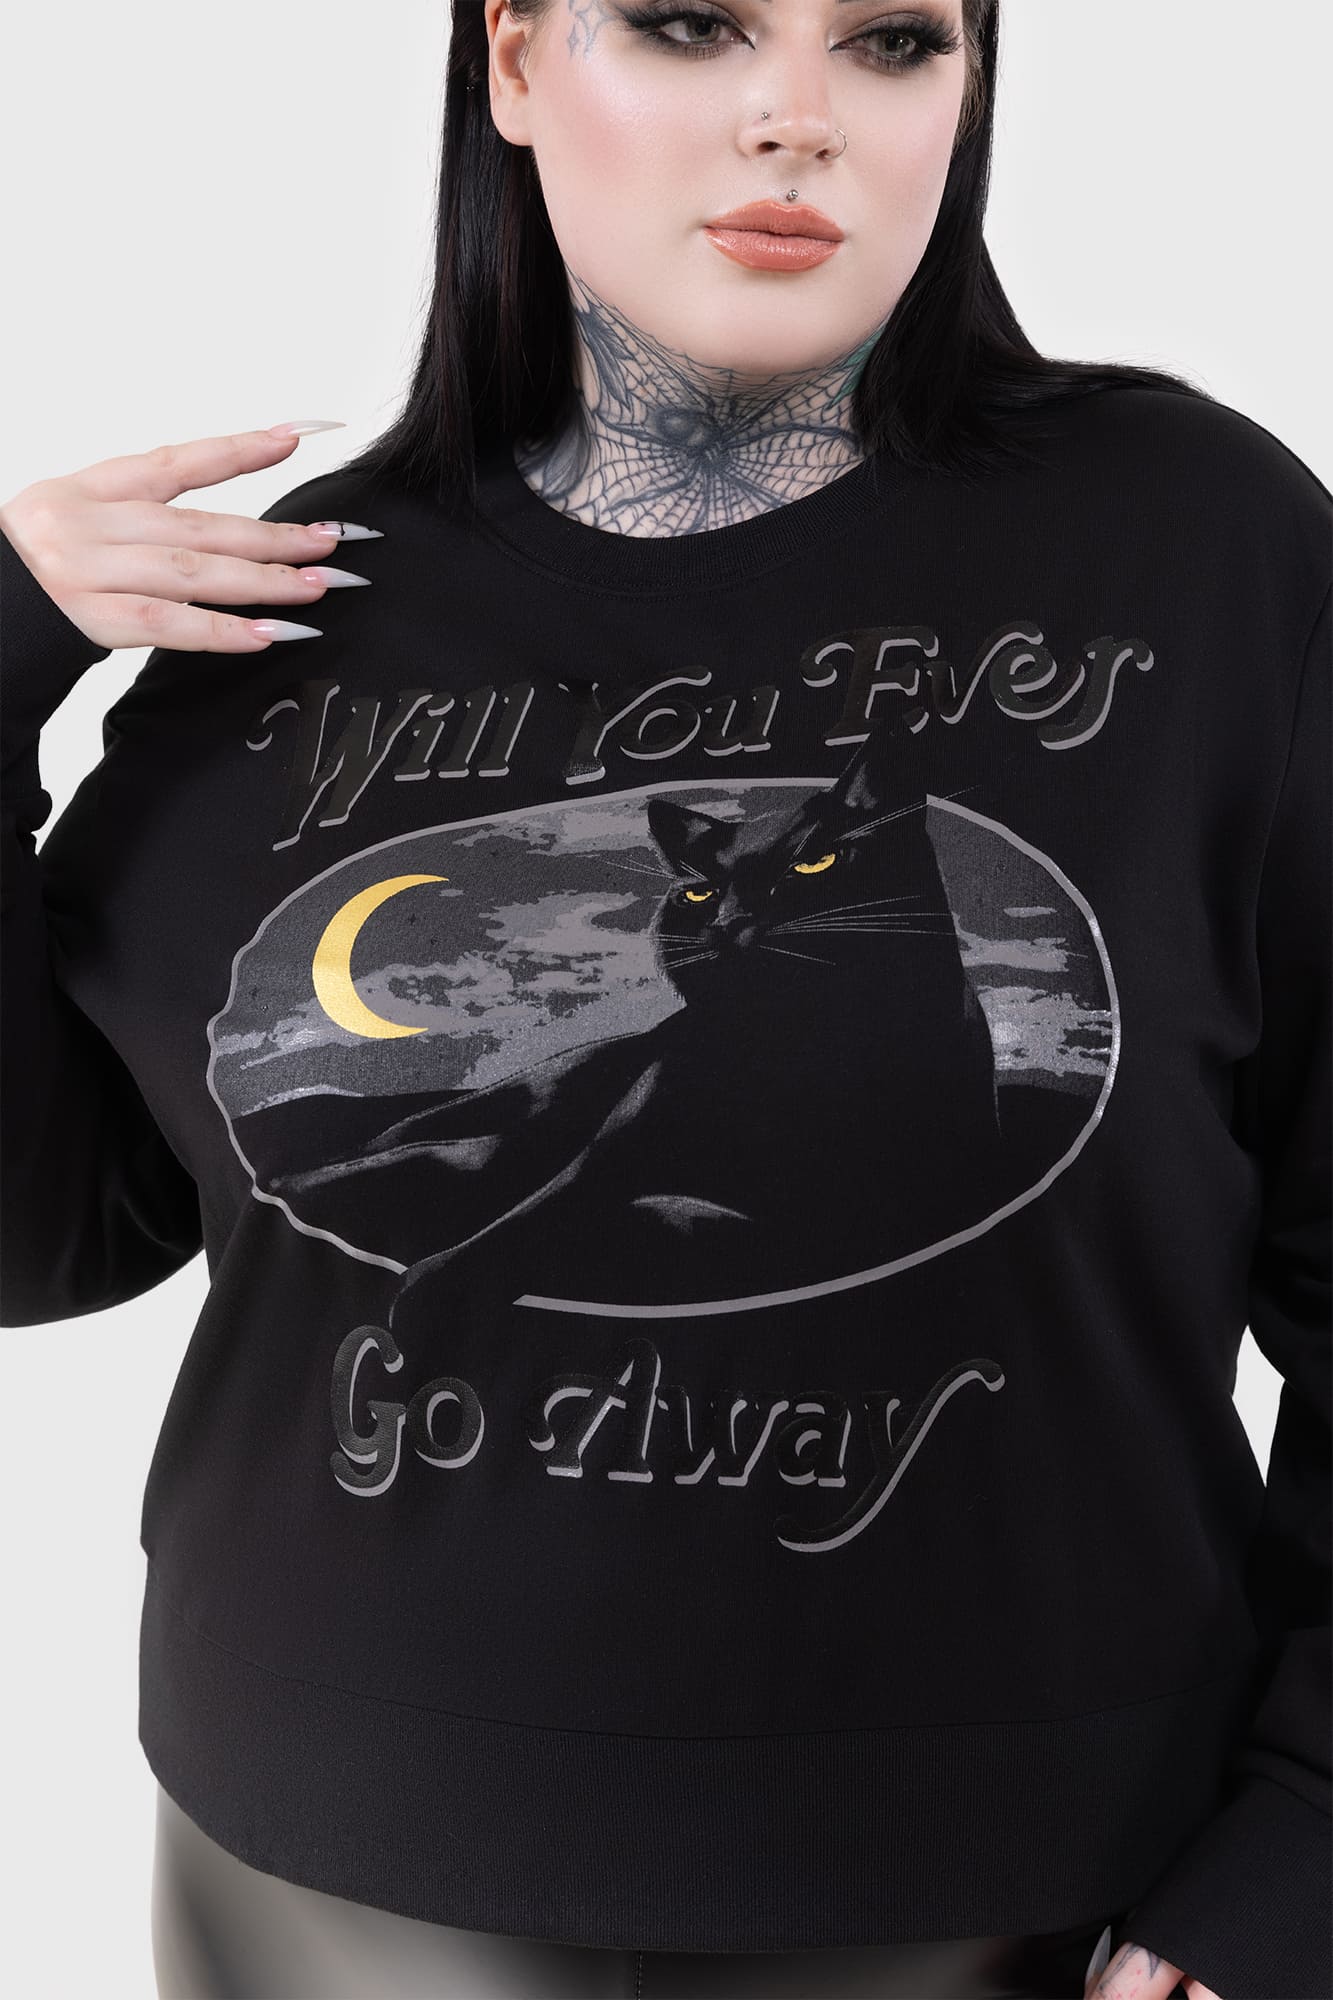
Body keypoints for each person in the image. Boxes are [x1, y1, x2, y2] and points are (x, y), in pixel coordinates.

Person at [1, 0, 1328, 1996]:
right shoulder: (289, 614)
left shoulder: (1204, 551)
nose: (795, 116)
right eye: (692, 24)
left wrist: (1305, 1842)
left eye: (892, 41)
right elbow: (39, 1240)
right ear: (514, 63)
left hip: (1017, 1887)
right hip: (322, 1873)